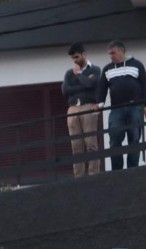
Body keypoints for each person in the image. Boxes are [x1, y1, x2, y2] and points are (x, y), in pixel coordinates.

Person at [96, 40, 146, 170]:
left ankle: (133, 169)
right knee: (115, 139)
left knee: (134, 138)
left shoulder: (137, 65)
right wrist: (100, 104)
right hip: (116, 109)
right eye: (109, 54)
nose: (111, 56)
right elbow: (102, 88)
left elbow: (145, 85)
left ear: (121, 51)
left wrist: (145, 104)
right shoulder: (107, 69)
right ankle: (117, 170)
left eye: (113, 53)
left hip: (135, 107)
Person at [62, 43, 102, 177]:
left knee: (91, 143)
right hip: (73, 108)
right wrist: (84, 84)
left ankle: (93, 174)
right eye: (72, 58)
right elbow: (65, 90)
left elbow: (92, 84)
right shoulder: (68, 73)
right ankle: (78, 176)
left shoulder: (95, 70)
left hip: (88, 106)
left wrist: (79, 75)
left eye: (77, 57)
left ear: (84, 54)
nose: (75, 60)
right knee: (76, 145)